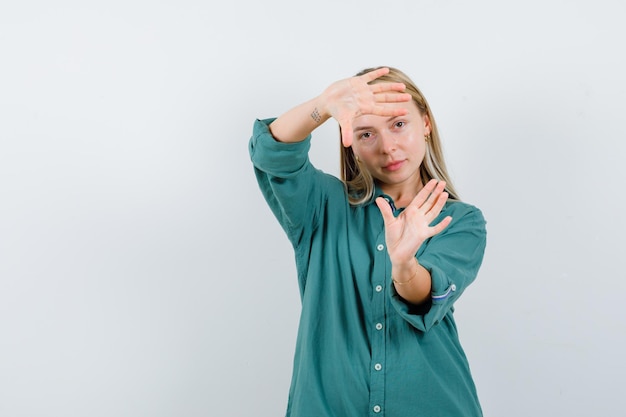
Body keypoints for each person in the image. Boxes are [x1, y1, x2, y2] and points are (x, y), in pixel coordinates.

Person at [248, 66, 487, 417]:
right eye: (366, 134)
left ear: (426, 124)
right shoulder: (321, 205)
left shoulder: (462, 220)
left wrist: (405, 264)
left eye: (399, 124)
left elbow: (425, 297)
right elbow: (271, 153)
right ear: (352, 146)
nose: (388, 147)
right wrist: (324, 105)